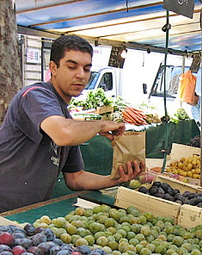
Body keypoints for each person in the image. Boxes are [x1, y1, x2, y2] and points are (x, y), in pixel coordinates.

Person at [0, 35, 143, 213]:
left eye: (86, 68)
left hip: (28, 214)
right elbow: (63, 134)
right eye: (72, 66)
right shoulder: (34, 95)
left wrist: (115, 179)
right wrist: (99, 125)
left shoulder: (65, 117)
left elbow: (75, 178)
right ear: (53, 68)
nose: (81, 75)